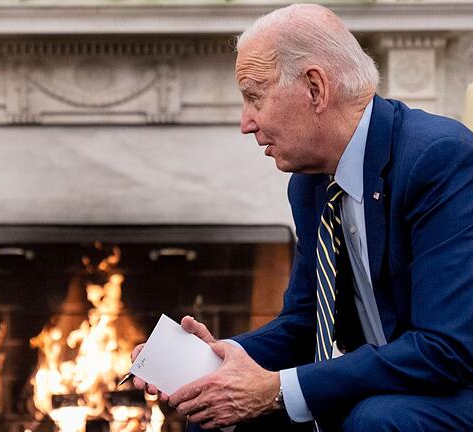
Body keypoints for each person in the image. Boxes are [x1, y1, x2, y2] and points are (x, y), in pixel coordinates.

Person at [133, 4, 473, 431]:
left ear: (315, 88)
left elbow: (446, 349)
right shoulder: (311, 184)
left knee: (376, 419)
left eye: (254, 96)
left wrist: (277, 389)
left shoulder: (437, 158)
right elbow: (305, 321)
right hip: (387, 386)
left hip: (455, 389)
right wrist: (218, 361)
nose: (246, 123)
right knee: (213, 410)